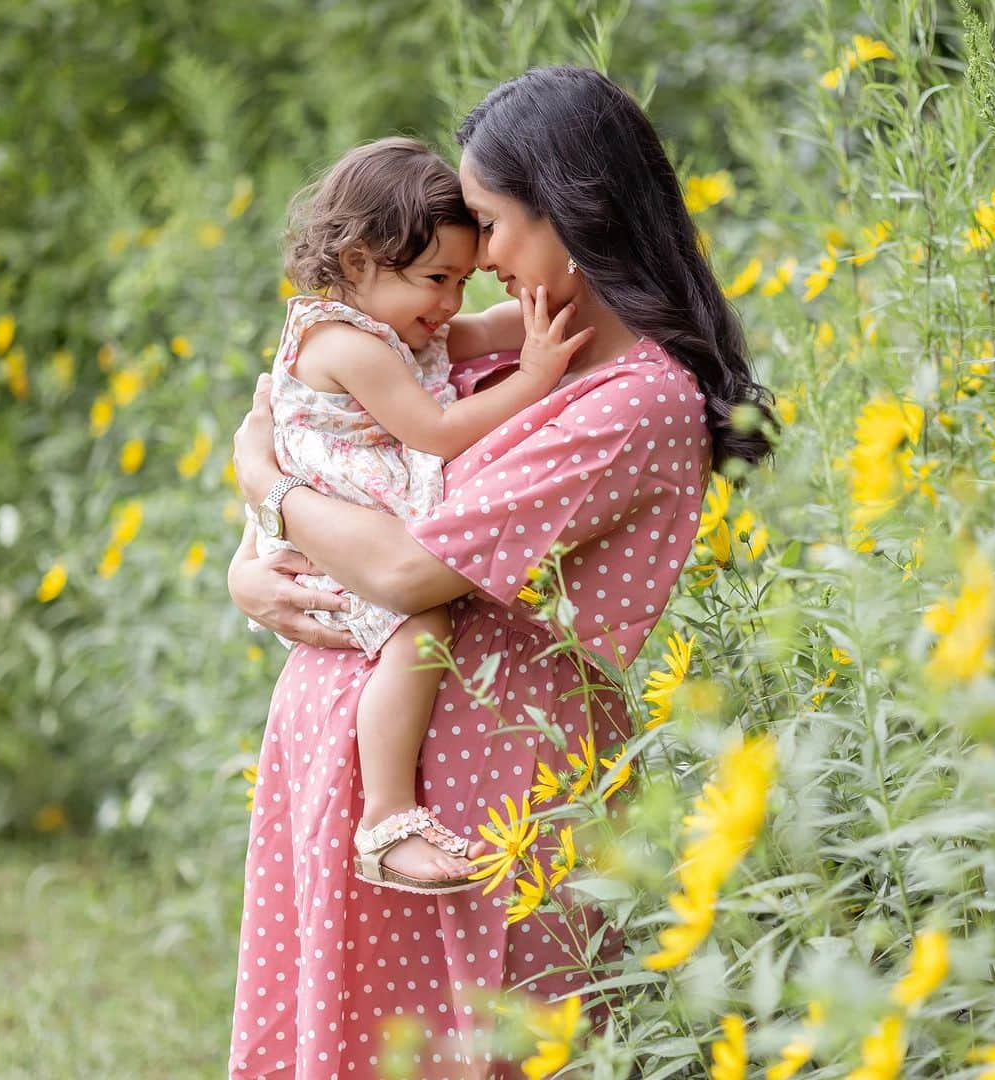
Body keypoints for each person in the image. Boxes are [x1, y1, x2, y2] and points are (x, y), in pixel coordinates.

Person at [228, 66, 772, 1079]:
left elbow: (398, 565)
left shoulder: (632, 403)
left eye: (489, 223)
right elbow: (339, 450)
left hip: (496, 792)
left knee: (486, 1050)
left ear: (572, 216)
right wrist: (249, 561)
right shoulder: (489, 352)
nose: (476, 257)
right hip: (350, 761)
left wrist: (261, 488)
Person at [248, 137, 594, 895]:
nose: (450, 305)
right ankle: (387, 817)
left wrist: (556, 303)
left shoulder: (398, 327)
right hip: (346, 520)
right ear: (358, 259)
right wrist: (535, 378)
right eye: (437, 279)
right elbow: (434, 433)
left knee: (424, 619)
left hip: (351, 508)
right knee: (422, 627)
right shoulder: (347, 343)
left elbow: (484, 332)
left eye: (464, 281)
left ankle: (388, 813)